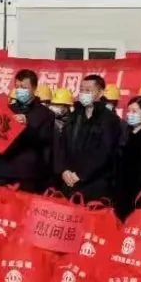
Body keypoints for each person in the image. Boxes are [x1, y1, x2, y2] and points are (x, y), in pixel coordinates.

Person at [56, 75, 122, 203]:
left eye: (88, 90)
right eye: (81, 90)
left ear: (100, 93)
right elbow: (62, 145)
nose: (83, 93)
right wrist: (64, 170)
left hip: (94, 185)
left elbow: (105, 152)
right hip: (68, 182)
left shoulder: (109, 119)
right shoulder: (74, 116)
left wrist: (81, 175)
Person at [0, 69, 54, 193]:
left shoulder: (45, 113)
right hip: (5, 169)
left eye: (24, 87)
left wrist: (26, 125)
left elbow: (44, 139)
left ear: (34, 88)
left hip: (29, 173)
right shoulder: (7, 110)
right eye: (18, 87)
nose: (20, 90)